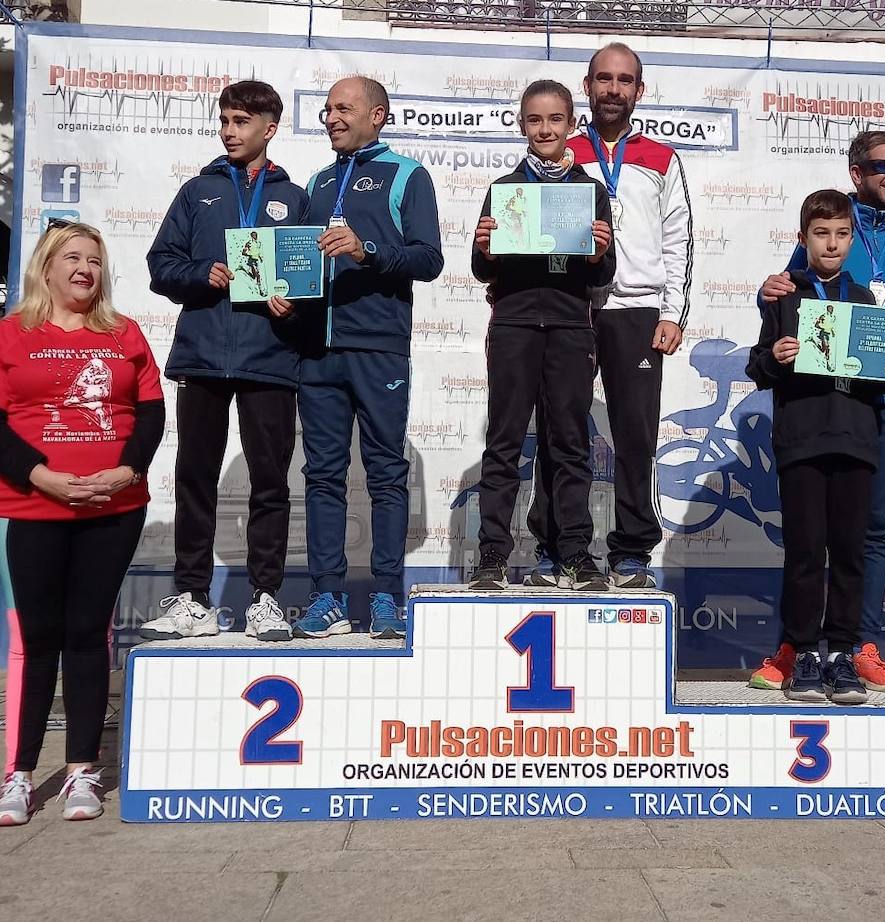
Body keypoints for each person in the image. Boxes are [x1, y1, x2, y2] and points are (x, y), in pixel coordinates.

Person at [0, 221, 164, 825]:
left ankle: (82, 771)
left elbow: (149, 416)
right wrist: (41, 476)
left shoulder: (125, 334)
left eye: (95, 261)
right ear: (46, 268)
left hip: (114, 508)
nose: (84, 269)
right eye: (72, 258)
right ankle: (18, 777)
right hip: (31, 507)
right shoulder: (9, 335)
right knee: (38, 637)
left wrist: (127, 473)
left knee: (87, 633)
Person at [757, 130, 885, 692]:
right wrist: (764, 292)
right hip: (826, 407)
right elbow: (789, 300)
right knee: (814, 537)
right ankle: (798, 648)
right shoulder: (829, 233)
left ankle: (861, 644)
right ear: (856, 173)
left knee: (871, 529)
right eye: (883, 167)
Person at [268, 76, 444, 639]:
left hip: (378, 348)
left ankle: (388, 597)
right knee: (322, 476)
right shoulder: (316, 182)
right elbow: (303, 264)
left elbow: (429, 258)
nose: (331, 118)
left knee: (386, 475)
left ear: (378, 114)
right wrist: (284, 294)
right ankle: (327, 597)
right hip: (318, 349)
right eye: (326, 110)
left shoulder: (407, 175)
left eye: (343, 108)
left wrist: (366, 251)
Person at [141, 80, 310, 644]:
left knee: (270, 483)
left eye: (240, 122)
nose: (228, 132)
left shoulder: (298, 199)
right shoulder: (198, 192)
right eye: (224, 121)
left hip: (270, 357)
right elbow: (161, 264)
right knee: (194, 477)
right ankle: (192, 598)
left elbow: (312, 285)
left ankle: (266, 599)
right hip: (205, 355)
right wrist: (201, 274)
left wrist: (294, 305)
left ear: (269, 127)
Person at [525, 42, 692, 590]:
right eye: (604, 79)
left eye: (624, 80)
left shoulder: (662, 158)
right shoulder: (560, 149)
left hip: (638, 312)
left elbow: (678, 240)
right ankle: (555, 547)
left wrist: (673, 312)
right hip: (571, 306)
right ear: (587, 86)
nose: (613, 89)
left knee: (636, 435)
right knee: (559, 429)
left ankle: (631, 551)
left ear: (639, 90)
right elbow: (527, 229)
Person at [745, 191, 885, 703]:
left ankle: (842, 653)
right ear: (803, 240)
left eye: (842, 234)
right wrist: (775, 356)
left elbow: (875, 380)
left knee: (848, 551)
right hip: (801, 441)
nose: (833, 243)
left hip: (858, 443)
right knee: (803, 552)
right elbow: (757, 367)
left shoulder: (866, 301)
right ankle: (801, 652)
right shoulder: (783, 297)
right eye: (822, 234)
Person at [467, 79, 616, 592]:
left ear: (572, 124)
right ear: (522, 125)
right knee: (504, 442)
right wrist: (485, 246)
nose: (545, 129)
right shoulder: (504, 190)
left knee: (570, 444)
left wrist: (597, 252)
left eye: (555, 119)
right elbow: (481, 270)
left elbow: (601, 276)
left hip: (572, 328)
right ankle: (492, 556)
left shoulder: (590, 191)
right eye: (535, 120)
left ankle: (574, 551)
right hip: (512, 325)